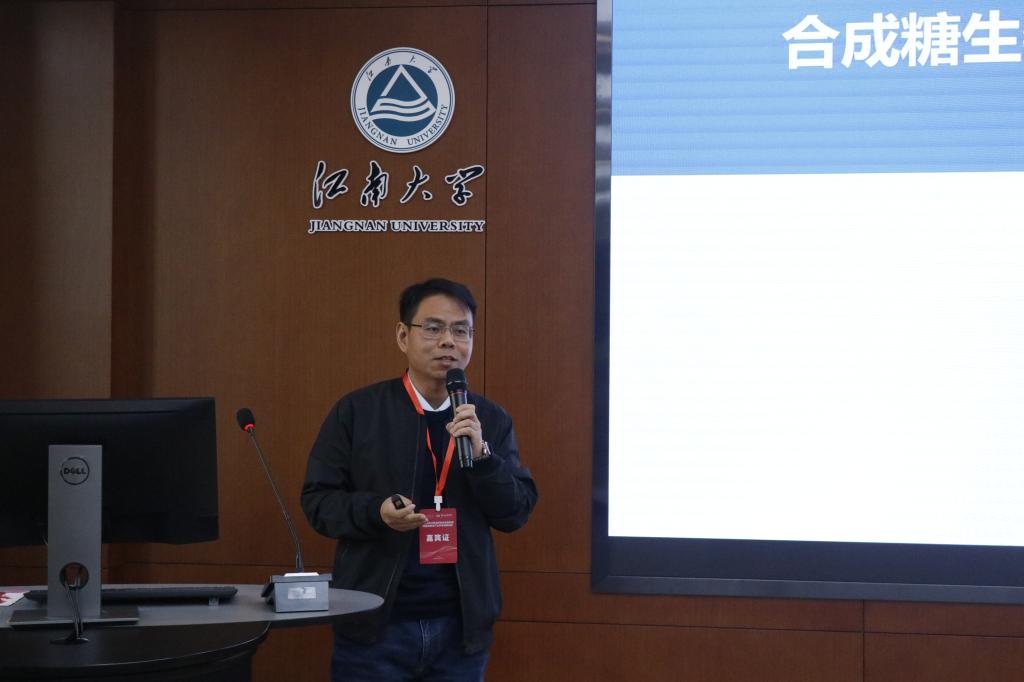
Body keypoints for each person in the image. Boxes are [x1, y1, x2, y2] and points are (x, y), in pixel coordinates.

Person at [301, 277, 538, 681]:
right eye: (433, 328)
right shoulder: (358, 412)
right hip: (375, 627)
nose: (448, 341)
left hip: (460, 632)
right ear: (402, 336)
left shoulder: (489, 419)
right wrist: (376, 512)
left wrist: (483, 457)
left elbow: (515, 512)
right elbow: (318, 501)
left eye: (461, 330)